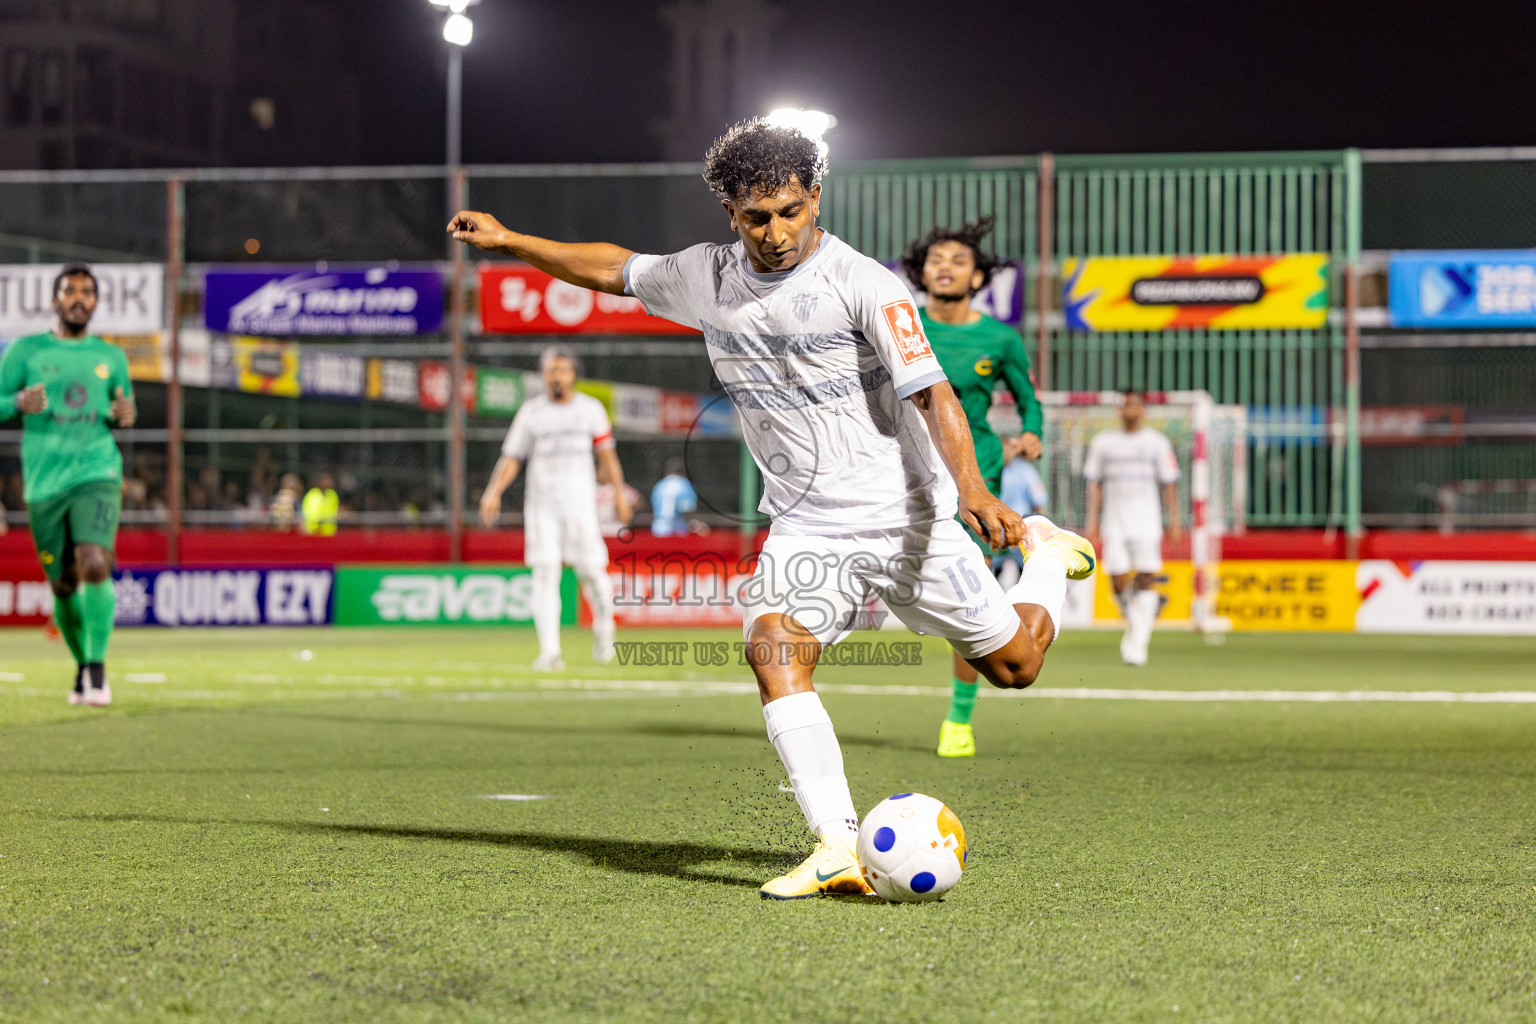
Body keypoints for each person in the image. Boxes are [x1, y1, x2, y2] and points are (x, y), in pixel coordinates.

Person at [448, 117, 1095, 900]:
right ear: (730, 213)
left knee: (1015, 667)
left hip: (907, 515)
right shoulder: (705, 276)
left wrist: (975, 493)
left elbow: (933, 391)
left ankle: (1050, 559)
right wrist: (513, 239)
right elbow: (615, 267)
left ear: (815, 197)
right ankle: (835, 842)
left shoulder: (866, 283)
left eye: (791, 210)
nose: (777, 231)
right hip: (806, 523)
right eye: (757, 216)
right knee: (773, 648)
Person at [901, 219, 1045, 760]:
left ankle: (959, 715)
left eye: (958, 260)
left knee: (970, 597)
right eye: (936, 258)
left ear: (978, 276)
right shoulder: (903, 326)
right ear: (921, 271)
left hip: (973, 481)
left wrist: (1033, 431)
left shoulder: (999, 338)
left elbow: (1028, 398)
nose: (945, 266)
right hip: (902, 477)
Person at [0, 264, 135, 706]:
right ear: (55, 300)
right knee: (62, 585)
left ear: (96, 302)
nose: (79, 298)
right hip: (44, 484)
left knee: (95, 563)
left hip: (97, 471)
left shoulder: (111, 357)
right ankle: (81, 665)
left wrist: (125, 413)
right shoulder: (25, 351)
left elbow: (123, 405)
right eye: (70, 291)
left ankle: (98, 670)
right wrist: (17, 402)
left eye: (87, 292)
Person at [479, 346, 631, 670]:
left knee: (591, 572)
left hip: (580, 504)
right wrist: (493, 492)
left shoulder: (590, 409)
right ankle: (550, 652)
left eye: (562, 369)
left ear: (573, 374)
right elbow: (512, 457)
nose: (556, 375)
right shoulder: (531, 412)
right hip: (541, 504)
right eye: (550, 369)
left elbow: (607, 456)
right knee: (544, 573)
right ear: (543, 374)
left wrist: (619, 495)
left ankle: (605, 629)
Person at [1083, 391, 1182, 667]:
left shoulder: (1156, 442)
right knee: (1117, 580)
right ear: (1120, 408)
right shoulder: (1104, 443)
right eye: (1126, 403)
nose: (1130, 408)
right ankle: (1135, 623)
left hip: (1147, 522)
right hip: (1114, 521)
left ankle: (1138, 642)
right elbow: (1095, 483)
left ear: (1144, 409)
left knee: (1146, 578)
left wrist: (1174, 521)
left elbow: (1170, 483)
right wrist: (1092, 521)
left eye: (1135, 403)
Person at [650, 456, 698, 537]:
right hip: (677, 531)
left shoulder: (659, 485)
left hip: (658, 529)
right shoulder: (685, 484)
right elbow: (687, 510)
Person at [302, 472, 340, 536]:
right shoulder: (312, 495)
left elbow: (335, 512)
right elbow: (309, 514)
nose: (329, 483)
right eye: (326, 480)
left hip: (329, 533)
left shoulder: (333, 494)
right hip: (314, 533)